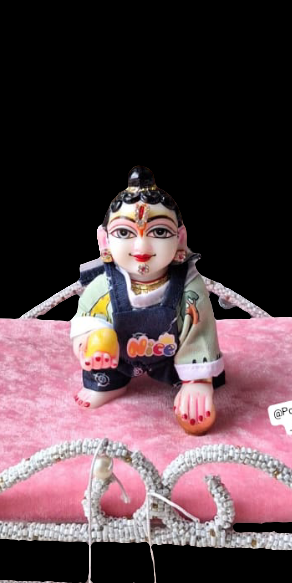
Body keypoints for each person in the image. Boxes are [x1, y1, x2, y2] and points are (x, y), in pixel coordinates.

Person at [70, 166, 224, 433]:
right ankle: (109, 384)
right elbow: (85, 317)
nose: (141, 247)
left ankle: (194, 383)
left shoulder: (188, 286)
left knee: (194, 369)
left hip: (173, 356)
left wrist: (197, 380)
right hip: (118, 358)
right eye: (124, 233)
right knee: (101, 355)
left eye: (160, 232)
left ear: (180, 239)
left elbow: (199, 332)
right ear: (104, 241)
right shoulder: (103, 285)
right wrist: (91, 343)